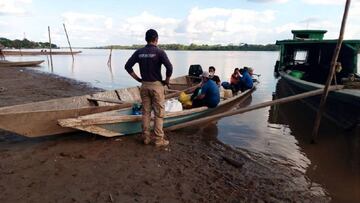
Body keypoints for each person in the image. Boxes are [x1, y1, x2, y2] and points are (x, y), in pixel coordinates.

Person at [125, 29, 173, 147]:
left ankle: (145, 137)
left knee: (145, 112)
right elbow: (169, 68)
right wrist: (166, 80)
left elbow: (127, 66)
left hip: (144, 85)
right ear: (156, 39)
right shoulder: (160, 52)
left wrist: (138, 79)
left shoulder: (139, 52)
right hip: (156, 86)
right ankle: (158, 139)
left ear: (146, 39)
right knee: (158, 113)